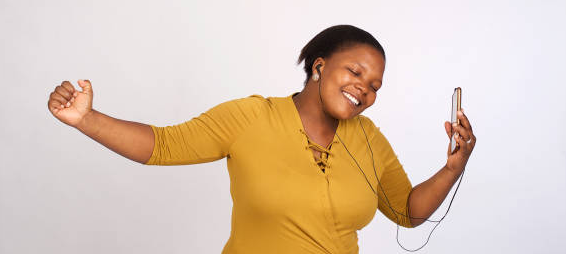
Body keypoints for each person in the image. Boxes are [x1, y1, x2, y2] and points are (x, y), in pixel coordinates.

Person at [47, 24, 476, 253]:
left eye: (376, 85)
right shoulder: (251, 117)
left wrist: (453, 167)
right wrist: (87, 119)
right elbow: (163, 145)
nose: (365, 89)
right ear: (320, 66)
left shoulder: (367, 137)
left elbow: (406, 211)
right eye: (356, 72)